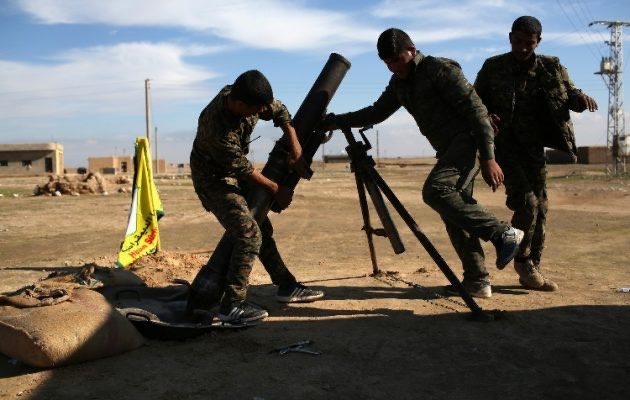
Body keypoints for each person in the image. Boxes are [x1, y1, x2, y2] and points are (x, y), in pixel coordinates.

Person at [321, 28, 524, 299]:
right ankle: (476, 280)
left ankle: (503, 233)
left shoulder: (438, 69)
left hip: (469, 141)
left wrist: (488, 158)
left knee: (436, 191)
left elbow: (477, 111)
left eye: (397, 59)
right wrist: (336, 120)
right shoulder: (399, 83)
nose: (394, 67)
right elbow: (376, 112)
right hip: (449, 148)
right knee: (453, 210)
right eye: (388, 63)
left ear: (412, 50)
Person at [474, 16, 598, 291]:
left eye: (528, 43)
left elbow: (570, 94)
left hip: (533, 149)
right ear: (510, 38)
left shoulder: (551, 67)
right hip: (503, 149)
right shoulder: (493, 67)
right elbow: (475, 103)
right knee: (527, 204)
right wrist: (487, 117)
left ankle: (531, 266)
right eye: (517, 41)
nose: (522, 48)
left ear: (538, 42)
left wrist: (581, 99)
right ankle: (518, 255)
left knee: (540, 208)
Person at [190, 70, 324, 324]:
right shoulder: (215, 127)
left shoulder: (248, 98)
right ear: (241, 105)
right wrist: (277, 190)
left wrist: (295, 146)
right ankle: (232, 306)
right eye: (256, 110)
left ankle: (286, 286)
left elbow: (279, 111)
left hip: (235, 173)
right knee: (249, 233)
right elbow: (241, 168)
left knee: (262, 227)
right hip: (213, 181)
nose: (260, 113)